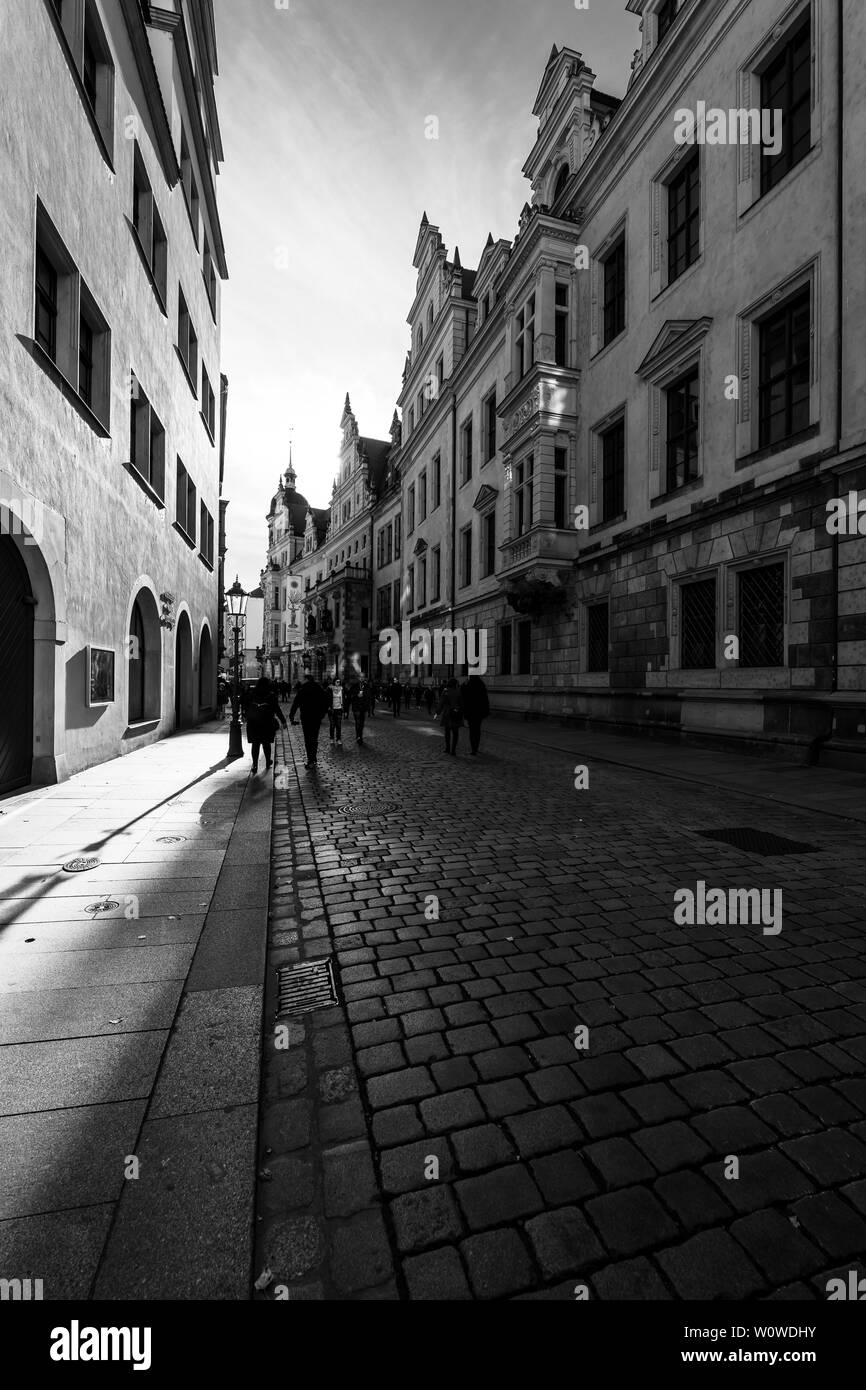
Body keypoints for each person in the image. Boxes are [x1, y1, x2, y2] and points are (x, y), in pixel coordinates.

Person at [243, 676, 287, 774]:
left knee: (255, 744)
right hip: (267, 722)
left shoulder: (252, 693)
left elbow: (245, 705)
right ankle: (268, 761)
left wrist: (245, 715)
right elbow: (277, 709)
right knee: (266, 743)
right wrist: (283, 721)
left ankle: (255, 764)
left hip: (253, 722)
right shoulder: (271, 695)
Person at [289, 673, 330, 768]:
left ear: (307, 679)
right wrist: (322, 714)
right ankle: (314, 758)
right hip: (316, 717)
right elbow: (326, 701)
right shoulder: (318, 688)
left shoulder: (303, 689)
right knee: (314, 738)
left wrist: (291, 716)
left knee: (308, 739)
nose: (302, 681)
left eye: (303, 679)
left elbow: (296, 703)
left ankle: (310, 760)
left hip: (306, 717)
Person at [461, 674, 490, 755]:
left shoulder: (467, 684)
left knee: (472, 730)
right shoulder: (481, 684)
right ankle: (476, 747)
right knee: (477, 730)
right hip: (479, 712)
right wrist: (486, 711)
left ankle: (473, 748)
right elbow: (485, 699)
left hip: (470, 711)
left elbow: (462, 693)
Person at [436, 677, 464, 756]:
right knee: (455, 733)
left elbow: (441, 702)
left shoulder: (445, 691)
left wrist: (438, 712)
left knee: (447, 732)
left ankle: (447, 748)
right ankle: (453, 750)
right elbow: (462, 704)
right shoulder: (458, 692)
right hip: (456, 713)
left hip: (447, 714)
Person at [347, 675, 371, 744]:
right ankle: (358, 737)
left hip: (363, 707)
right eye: (360, 677)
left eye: (363, 677)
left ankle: (360, 735)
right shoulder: (354, 686)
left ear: (364, 678)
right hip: (356, 707)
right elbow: (350, 696)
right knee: (357, 722)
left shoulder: (367, 686)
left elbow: (369, 696)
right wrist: (357, 695)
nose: (362, 678)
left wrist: (368, 706)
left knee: (362, 723)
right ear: (358, 678)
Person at [328, 676, 345, 746]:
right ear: (334, 682)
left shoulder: (342, 689)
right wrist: (328, 706)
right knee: (332, 725)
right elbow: (326, 698)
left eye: (339, 682)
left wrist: (344, 707)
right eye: (337, 681)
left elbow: (345, 697)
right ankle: (332, 738)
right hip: (332, 710)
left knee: (338, 725)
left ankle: (338, 739)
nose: (338, 683)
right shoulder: (330, 689)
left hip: (339, 709)